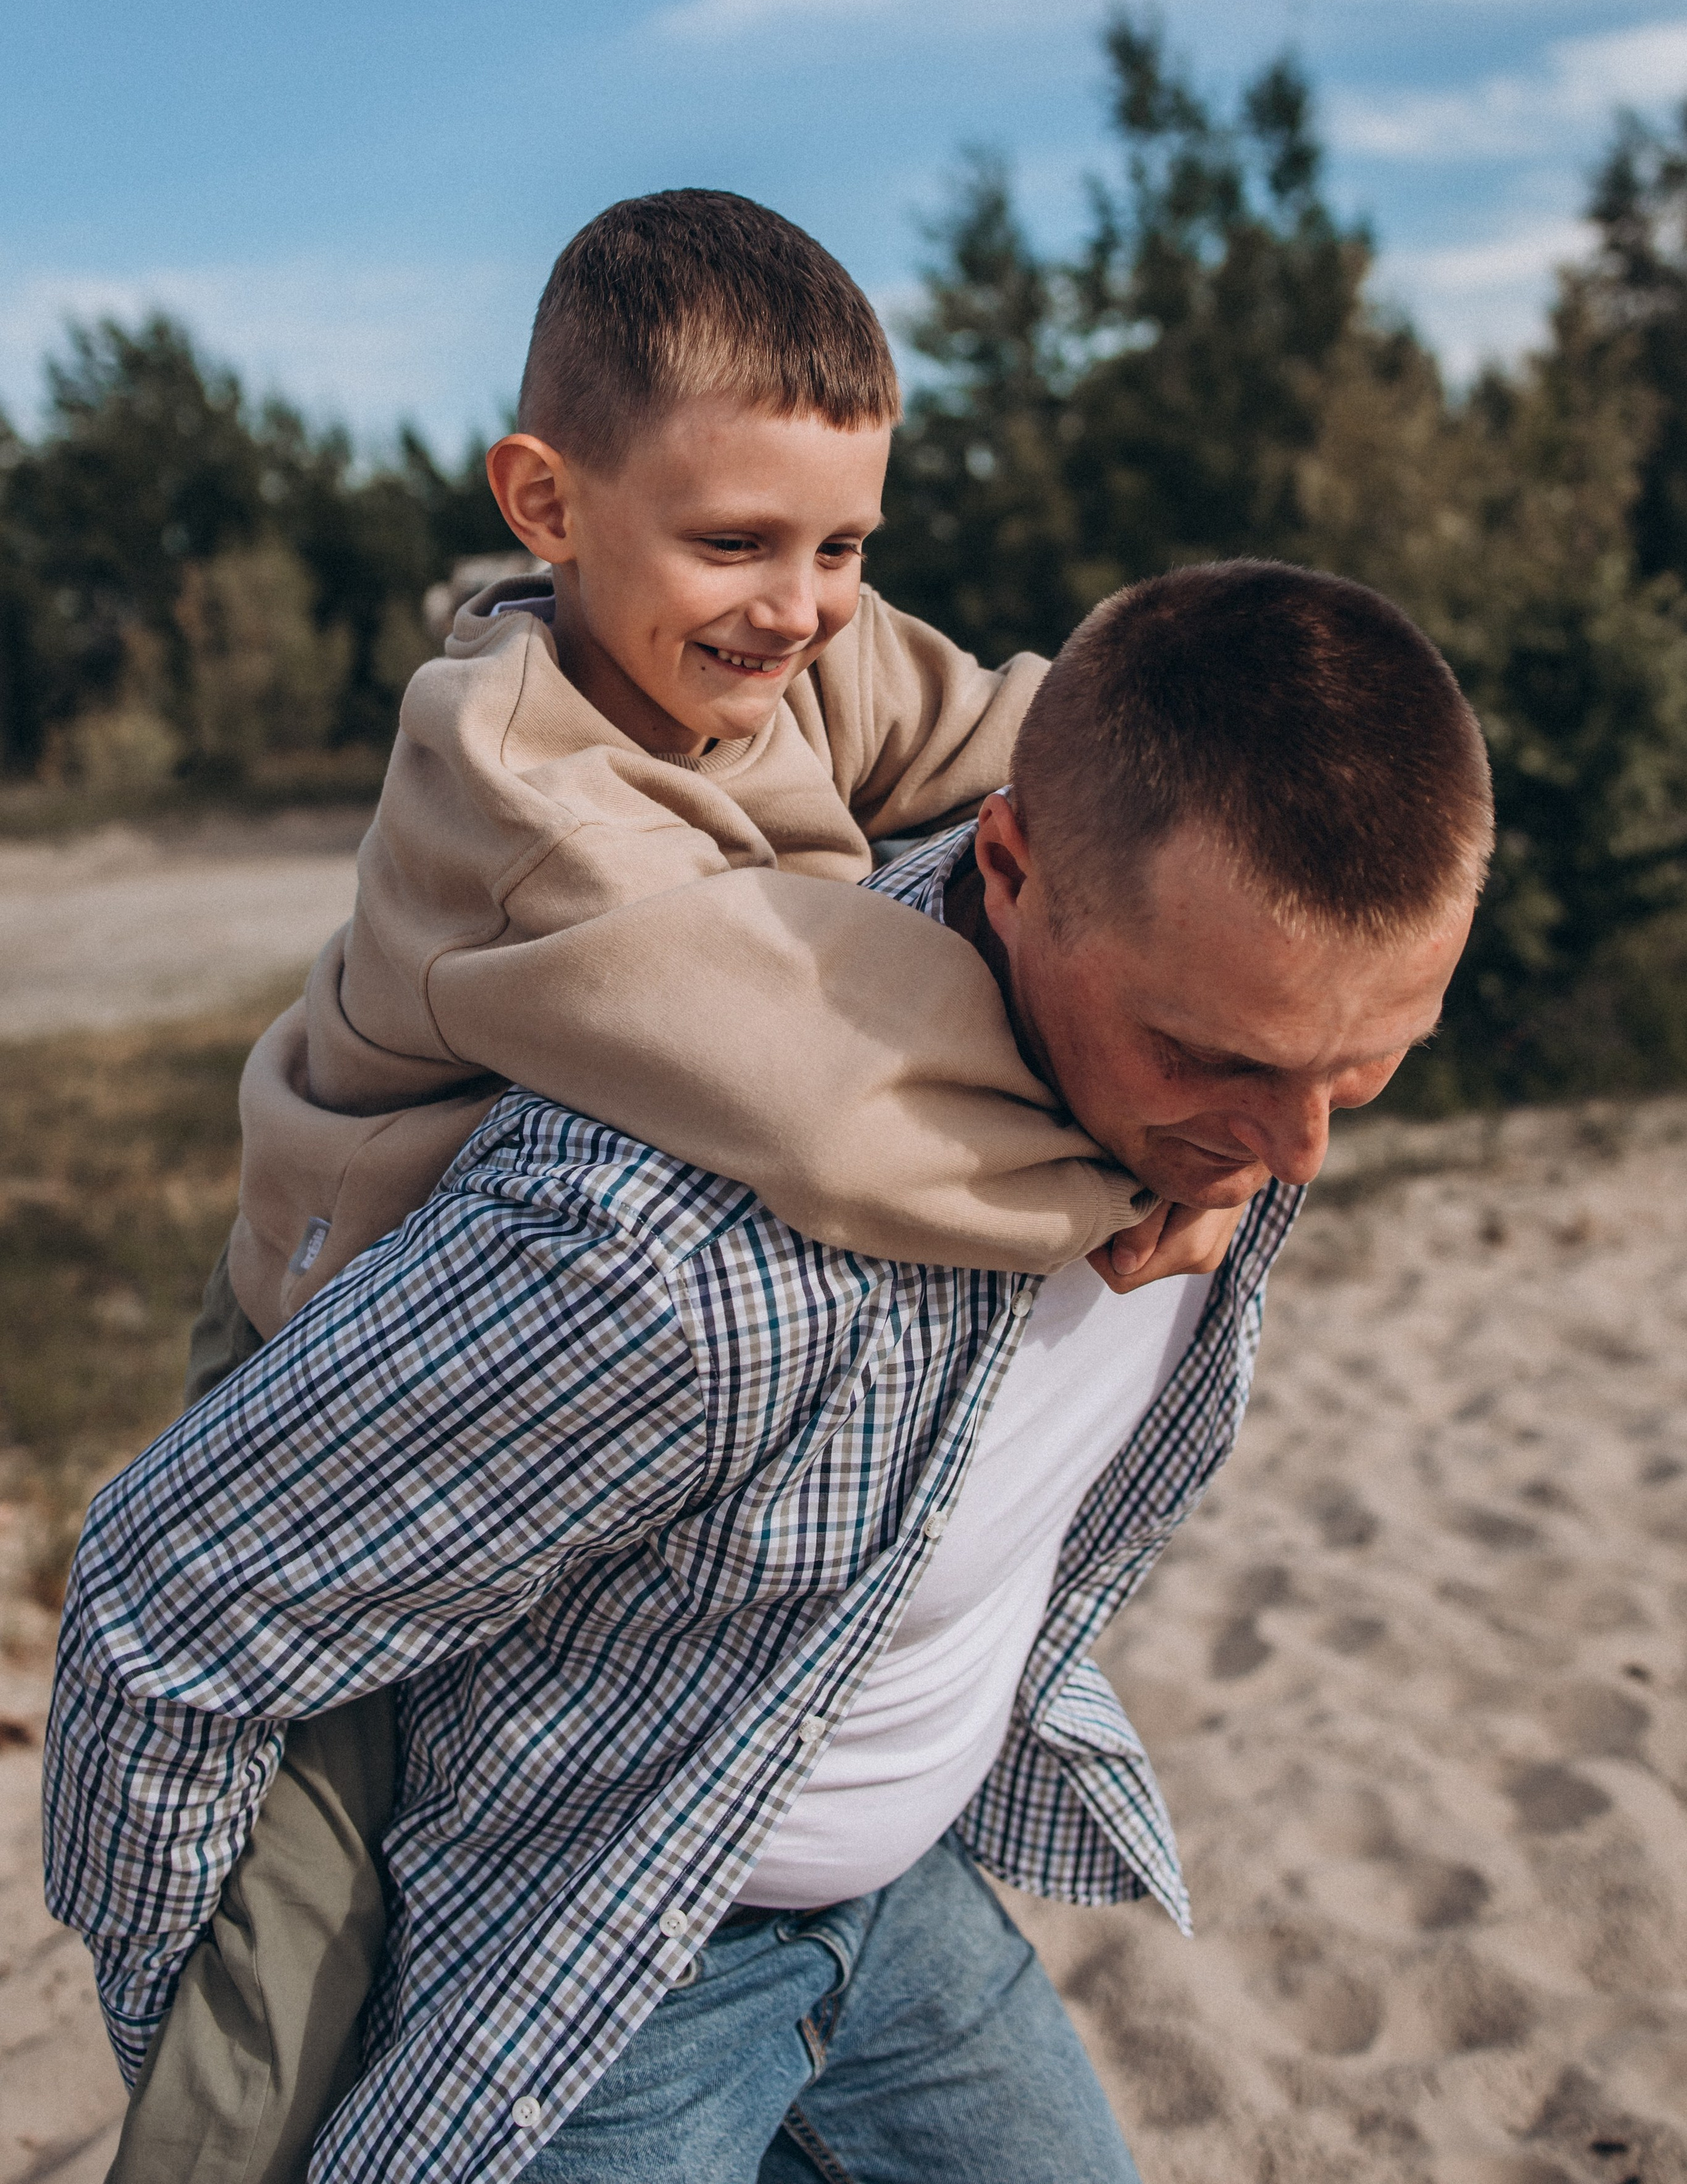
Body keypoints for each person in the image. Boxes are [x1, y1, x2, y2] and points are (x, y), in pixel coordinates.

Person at [46, 561, 1491, 2184]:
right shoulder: (668, 1255)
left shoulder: (1200, 1037)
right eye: (1214, 1060)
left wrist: (1191, 1119)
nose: (1288, 1150)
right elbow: (168, 1598)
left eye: (1365, 1070)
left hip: (904, 1900)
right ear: (1012, 874)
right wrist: (234, 2070)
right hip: (600, 1973)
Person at [98, 185, 1218, 2184]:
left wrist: (1199, 790)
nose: (800, 603)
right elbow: (813, 1086)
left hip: (551, 1362)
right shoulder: (519, 794)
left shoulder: (796, 651)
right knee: (297, 1960)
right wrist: (1117, 1173)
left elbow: (1017, 741)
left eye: (847, 541)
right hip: (336, 1346)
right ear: (548, 501)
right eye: (735, 542)